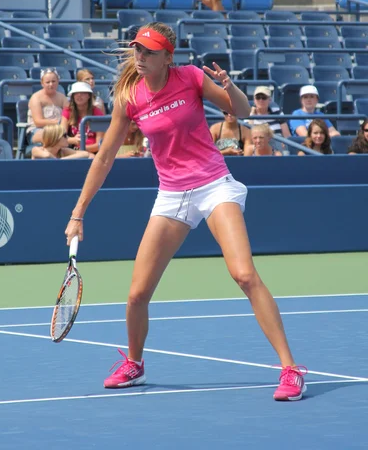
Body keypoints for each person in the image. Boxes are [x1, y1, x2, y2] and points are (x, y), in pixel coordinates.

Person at [65, 22, 307, 402]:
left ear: (167, 57)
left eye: (148, 52)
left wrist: (230, 87)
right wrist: (78, 212)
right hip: (172, 195)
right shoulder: (130, 96)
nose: (140, 57)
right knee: (137, 294)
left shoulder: (191, 77)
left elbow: (240, 112)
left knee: (244, 274)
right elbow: (106, 156)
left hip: (214, 185)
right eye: (137, 50)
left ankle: (291, 370)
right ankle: (135, 363)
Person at [27, 68, 68, 144]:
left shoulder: (62, 97)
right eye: (47, 82)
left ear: (58, 81)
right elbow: (38, 122)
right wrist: (58, 123)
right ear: (42, 83)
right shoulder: (36, 98)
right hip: (37, 130)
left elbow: (68, 115)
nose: (51, 84)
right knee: (54, 137)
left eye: (53, 81)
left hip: (59, 131)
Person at [61, 82, 104, 154]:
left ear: (89, 96)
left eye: (83, 93)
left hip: (93, 152)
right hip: (72, 151)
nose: (79, 95)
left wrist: (82, 149)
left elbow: (99, 144)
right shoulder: (67, 111)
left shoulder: (97, 112)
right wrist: (73, 140)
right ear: (73, 96)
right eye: (76, 93)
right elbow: (61, 137)